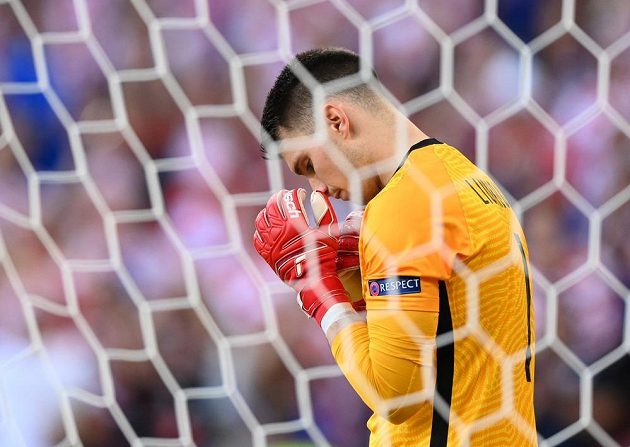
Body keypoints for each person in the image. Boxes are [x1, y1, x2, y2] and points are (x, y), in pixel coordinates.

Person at [253, 47, 537, 446]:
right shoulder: (465, 177)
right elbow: (439, 340)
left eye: (308, 165)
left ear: (336, 121)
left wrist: (319, 293)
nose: (317, 188)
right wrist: (352, 275)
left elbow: (398, 396)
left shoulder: (403, 206)